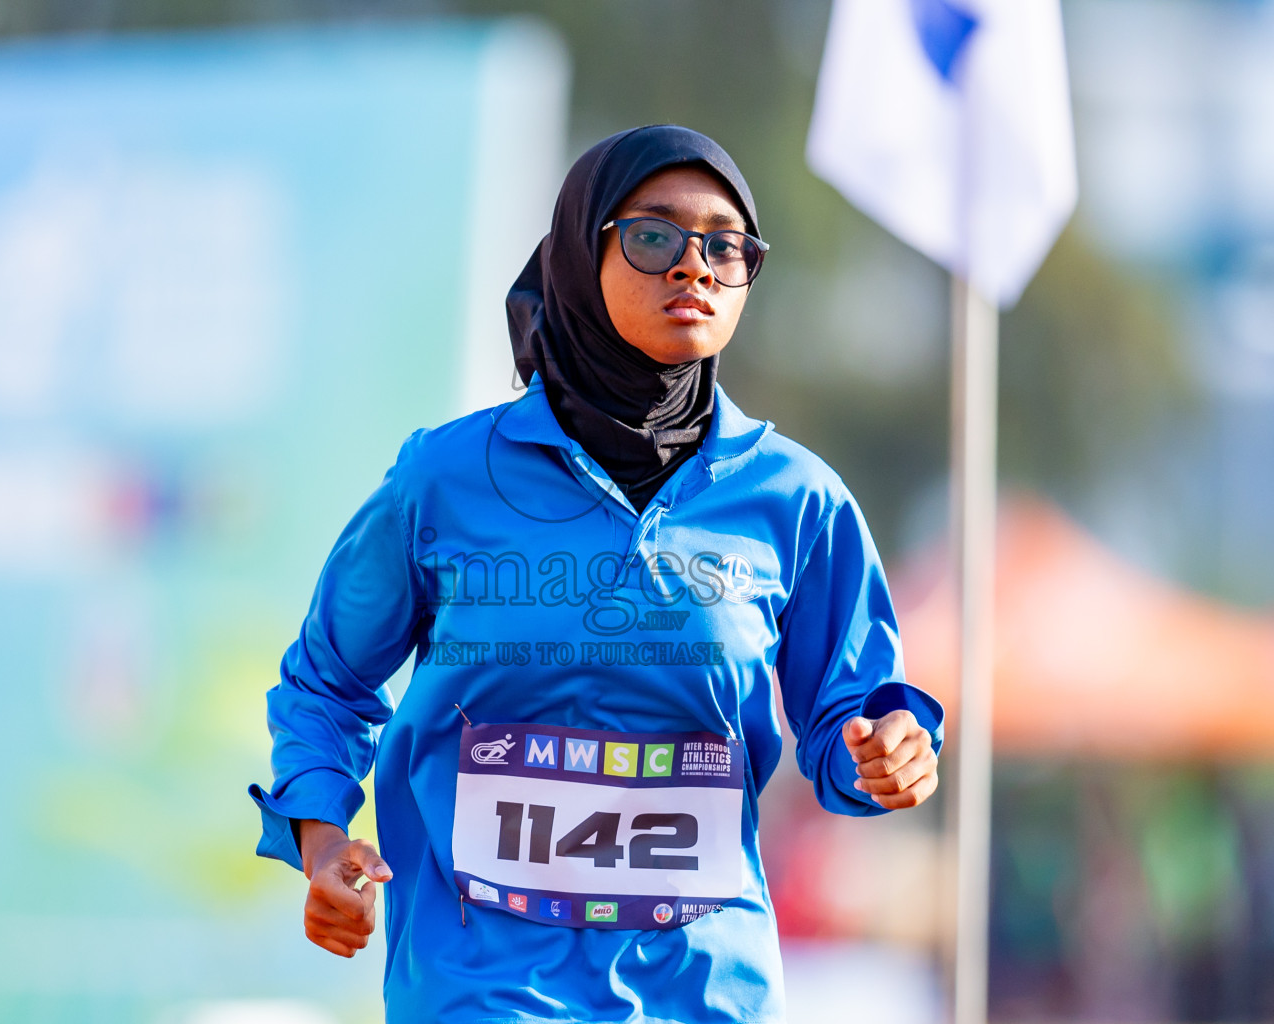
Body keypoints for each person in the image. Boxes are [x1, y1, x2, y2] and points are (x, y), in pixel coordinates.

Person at [250, 125, 944, 1024]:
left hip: (705, 995)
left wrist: (890, 755)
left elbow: (849, 720)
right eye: (655, 237)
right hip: (481, 993)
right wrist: (320, 839)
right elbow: (325, 684)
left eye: (725, 247)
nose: (694, 268)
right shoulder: (444, 481)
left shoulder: (797, 500)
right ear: (582, 250)